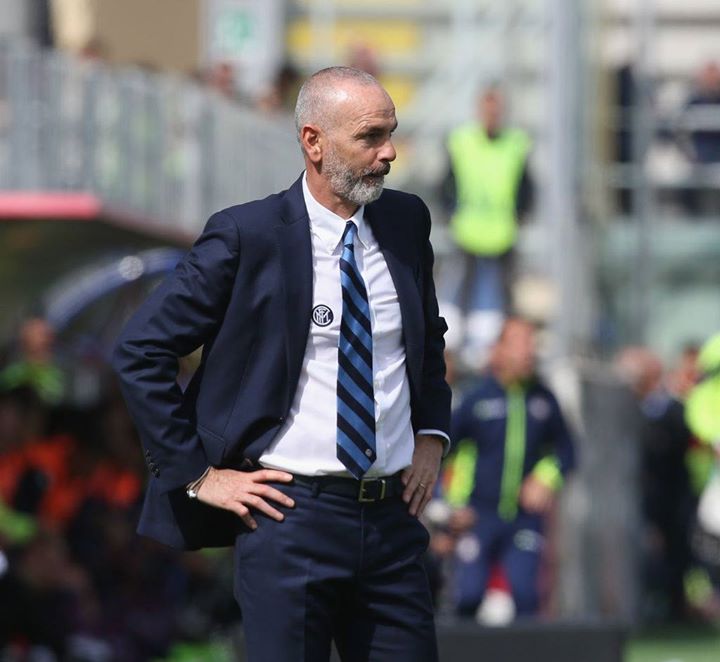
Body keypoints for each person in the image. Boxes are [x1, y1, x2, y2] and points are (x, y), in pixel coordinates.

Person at [112, 66, 452, 662]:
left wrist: (431, 431)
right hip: (290, 520)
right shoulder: (247, 235)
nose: (389, 153)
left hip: (393, 521)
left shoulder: (406, 222)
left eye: (391, 133)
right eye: (370, 137)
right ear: (313, 142)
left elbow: (426, 338)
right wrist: (197, 474)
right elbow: (140, 350)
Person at [444, 317, 575, 619]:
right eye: (519, 343)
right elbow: (442, 453)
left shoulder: (544, 400)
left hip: (524, 519)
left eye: (532, 344)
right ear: (499, 350)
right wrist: (449, 507)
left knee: (526, 595)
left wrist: (546, 479)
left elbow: (567, 451)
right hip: (478, 516)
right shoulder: (476, 399)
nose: (529, 352)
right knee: (468, 596)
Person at [440, 86, 534, 363]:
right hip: (468, 230)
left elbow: (526, 184)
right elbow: (447, 182)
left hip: (502, 231)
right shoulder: (462, 140)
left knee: (503, 295)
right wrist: (452, 212)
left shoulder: (516, 142)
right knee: (460, 291)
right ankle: (456, 352)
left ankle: (501, 349)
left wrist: (520, 213)